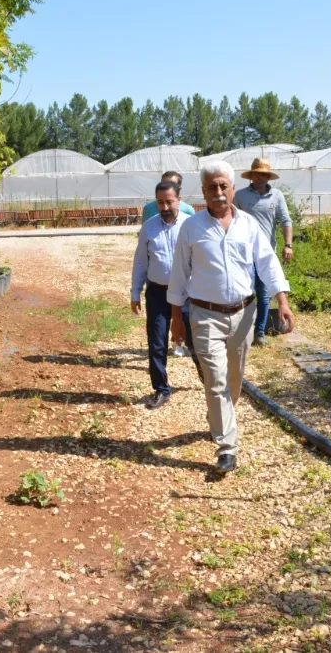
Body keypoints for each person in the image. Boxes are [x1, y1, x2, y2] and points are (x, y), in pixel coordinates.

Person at [168, 160, 295, 473]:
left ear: (233, 189)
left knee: (234, 380)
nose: (219, 192)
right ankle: (227, 447)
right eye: (212, 187)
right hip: (204, 314)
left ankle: (220, 418)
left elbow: (267, 263)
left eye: (224, 185)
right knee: (215, 379)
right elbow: (179, 275)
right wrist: (176, 318)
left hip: (243, 314)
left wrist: (283, 300)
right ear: (204, 192)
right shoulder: (191, 227)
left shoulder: (248, 225)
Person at [131, 181, 196, 410]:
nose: (165, 206)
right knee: (156, 342)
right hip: (158, 293)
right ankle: (161, 389)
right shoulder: (149, 227)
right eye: (160, 202)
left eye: (169, 201)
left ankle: (210, 384)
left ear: (179, 199)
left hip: (187, 294)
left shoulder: (191, 225)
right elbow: (140, 262)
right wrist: (135, 292)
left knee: (194, 341)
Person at [234, 158, 293, 346]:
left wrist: (288, 244)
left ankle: (259, 332)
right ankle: (242, 330)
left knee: (264, 293)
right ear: (251, 175)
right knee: (243, 293)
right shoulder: (240, 196)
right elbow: (230, 219)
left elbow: (285, 220)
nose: (261, 177)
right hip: (243, 254)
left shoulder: (276, 196)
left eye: (265, 174)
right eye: (258, 173)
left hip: (266, 254)